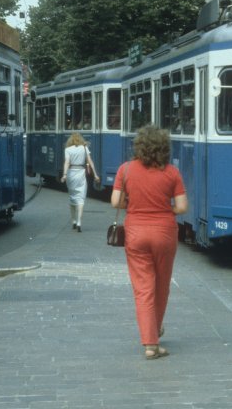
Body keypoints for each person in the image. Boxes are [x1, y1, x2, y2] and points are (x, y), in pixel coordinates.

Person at [111, 125, 189, 360]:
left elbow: (116, 202)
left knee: (143, 289)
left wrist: (135, 206)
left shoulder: (125, 170)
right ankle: (154, 334)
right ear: (164, 148)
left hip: (135, 232)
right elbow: (183, 207)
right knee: (161, 286)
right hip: (164, 232)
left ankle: (150, 344)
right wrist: (165, 209)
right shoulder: (172, 172)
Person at [59, 132, 99, 232]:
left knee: (72, 198)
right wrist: (96, 174)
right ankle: (79, 223)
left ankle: (73, 221)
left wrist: (64, 175)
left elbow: (67, 162)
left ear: (70, 140)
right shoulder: (84, 148)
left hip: (71, 174)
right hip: (81, 173)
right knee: (81, 199)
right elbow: (90, 161)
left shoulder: (67, 149)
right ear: (80, 139)